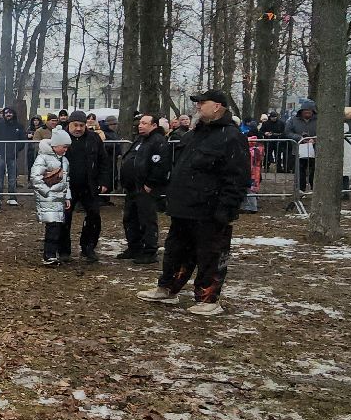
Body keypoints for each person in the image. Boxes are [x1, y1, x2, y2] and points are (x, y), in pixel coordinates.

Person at [138, 90, 251, 316]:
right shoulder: (193, 134)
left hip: (210, 210)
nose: (198, 106)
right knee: (175, 251)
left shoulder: (231, 137)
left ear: (218, 106)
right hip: (183, 208)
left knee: (210, 255)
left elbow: (237, 177)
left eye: (202, 102)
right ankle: (168, 288)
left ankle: (208, 298)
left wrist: (227, 209)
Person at [115, 114, 171, 263]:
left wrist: (150, 184)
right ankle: (134, 247)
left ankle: (150, 251)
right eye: (140, 123)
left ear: (154, 125)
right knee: (130, 218)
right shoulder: (140, 140)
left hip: (145, 188)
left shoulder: (158, 141)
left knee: (147, 219)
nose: (140, 125)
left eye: (145, 123)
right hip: (132, 187)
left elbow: (161, 165)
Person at [62, 111, 107, 262]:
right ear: (69, 124)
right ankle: (63, 249)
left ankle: (88, 246)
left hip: (89, 184)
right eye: (76, 125)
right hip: (67, 186)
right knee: (64, 217)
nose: (79, 129)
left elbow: (104, 161)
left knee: (94, 216)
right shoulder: (61, 138)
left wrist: (104, 181)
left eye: (82, 125)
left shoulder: (94, 139)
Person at [31, 128, 71, 266]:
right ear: (55, 146)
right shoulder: (43, 158)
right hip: (48, 199)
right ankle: (49, 255)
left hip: (58, 198)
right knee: (52, 227)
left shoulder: (64, 160)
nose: (66, 149)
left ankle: (52, 254)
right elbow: (35, 178)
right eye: (64, 147)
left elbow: (66, 180)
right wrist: (47, 192)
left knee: (57, 227)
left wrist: (67, 197)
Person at [0, 107, 27, 205]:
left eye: (10, 112)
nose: (8, 114)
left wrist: (16, 149)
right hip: (0, 154)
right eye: (6, 113)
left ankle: (12, 197)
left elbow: (22, 140)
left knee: (12, 177)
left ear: (13, 114)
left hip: (12, 155)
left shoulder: (19, 126)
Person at [286, 99, 319, 192]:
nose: (307, 113)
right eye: (305, 111)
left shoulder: (319, 120)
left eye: (310, 111)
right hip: (299, 149)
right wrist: (299, 138)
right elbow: (287, 132)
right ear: (301, 112)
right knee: (300, 169)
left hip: (315, 148)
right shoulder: (293, 120)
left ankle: (315, 188)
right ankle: (300, 188)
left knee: (315, 169)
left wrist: (315, 139)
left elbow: (324, 132)